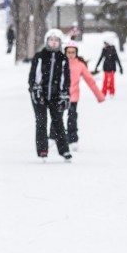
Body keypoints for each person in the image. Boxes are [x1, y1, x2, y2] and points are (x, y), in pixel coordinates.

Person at [29, 28, 72, 160]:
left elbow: (65, 79)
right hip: (40, 94)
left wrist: (64, 95)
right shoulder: (40, 56)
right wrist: (36, 90)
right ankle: (42, 149)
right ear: (47, 41)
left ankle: (64, 150)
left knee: (58, 122)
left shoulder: (63, 59)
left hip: (55, 95)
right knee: (41, 121)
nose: (53, 43)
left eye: (56, 41)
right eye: (51, 40)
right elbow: (33, 76)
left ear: (60, 43)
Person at [60, 40, 104, 146]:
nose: (70, 55)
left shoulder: (80, 65)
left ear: (76, 53)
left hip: (73, 96)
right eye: (68, 52)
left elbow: (90, 81)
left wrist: (99, 96)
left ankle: (72, 138)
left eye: (73, 52)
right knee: (57, 117)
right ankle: (55, 137)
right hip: (60, 95)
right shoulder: (60, 63)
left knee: (72, 117)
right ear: (65, 52)